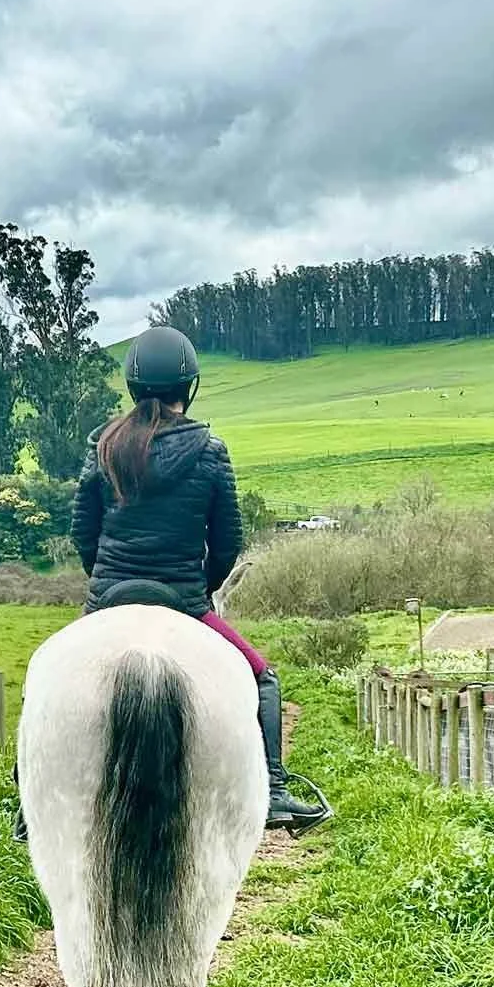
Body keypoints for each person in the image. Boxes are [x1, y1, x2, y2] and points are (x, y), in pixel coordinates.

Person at [73, 324, 328, 829]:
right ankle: (273, 791)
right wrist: (199, 593)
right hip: (183, 600)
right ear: (187, 386)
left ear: (133, 385)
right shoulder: (211, 450)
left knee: (45, 674)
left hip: (109, 598)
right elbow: (228, 541)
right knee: (264, 678)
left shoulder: (102, 447)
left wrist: (104, 585)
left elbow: (83, 534)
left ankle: (26, 803)